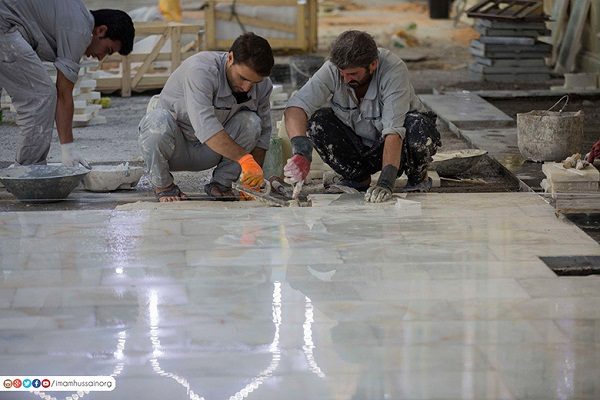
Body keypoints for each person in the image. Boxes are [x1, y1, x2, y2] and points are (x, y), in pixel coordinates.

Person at [283, 30, 441, 203]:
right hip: (361, 145)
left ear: (373, 64)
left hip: (398, 146)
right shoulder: (333, 69)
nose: (345, 79)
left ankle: (417, 178)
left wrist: (386, 183)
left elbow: (394, 132)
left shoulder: (393, 70)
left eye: (353, 74)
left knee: (418, 127)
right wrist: (302, 152)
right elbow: (296, 108)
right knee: (318, 123)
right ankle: (358, 179)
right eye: (342, 73)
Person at [138, 32, 274, 202]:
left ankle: (222, 184)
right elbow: (206, 126)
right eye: (242, 78)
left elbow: (263, 136)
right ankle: (164, 186)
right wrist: (245, 159)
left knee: (251, 123)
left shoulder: (263, 85)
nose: (247, 88)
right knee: (157, 121)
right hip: (175, 148)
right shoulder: (201, 70)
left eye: (254, 82)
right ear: (230, 58)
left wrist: (253, 179)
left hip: (211, 152)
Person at [0, 1, 134, 167]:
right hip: (4, 24)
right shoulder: (80, 30)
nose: (101, 57)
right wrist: (68, 150)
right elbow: (63, 94)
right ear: (101, 30)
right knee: (41, 96)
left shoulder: (75, 16)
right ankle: (29, 171)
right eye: (108, 50)